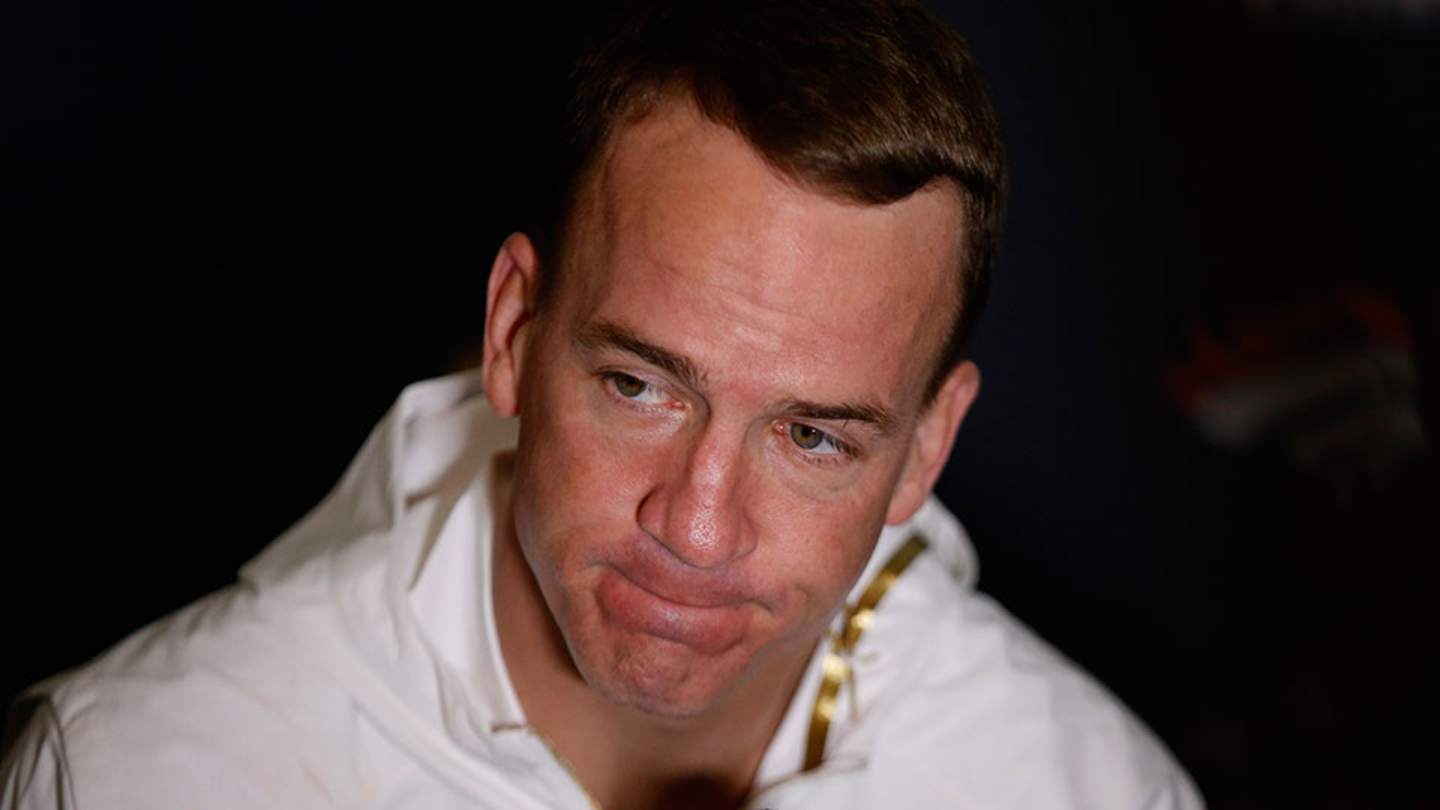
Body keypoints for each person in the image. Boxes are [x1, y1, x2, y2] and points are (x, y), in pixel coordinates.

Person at [1, 1, 1203, 807]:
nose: (698, 529)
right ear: (513, 333)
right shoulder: (132, 773)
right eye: (640, 385)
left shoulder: (1088, 788)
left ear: (926, 448)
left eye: (812, 437)